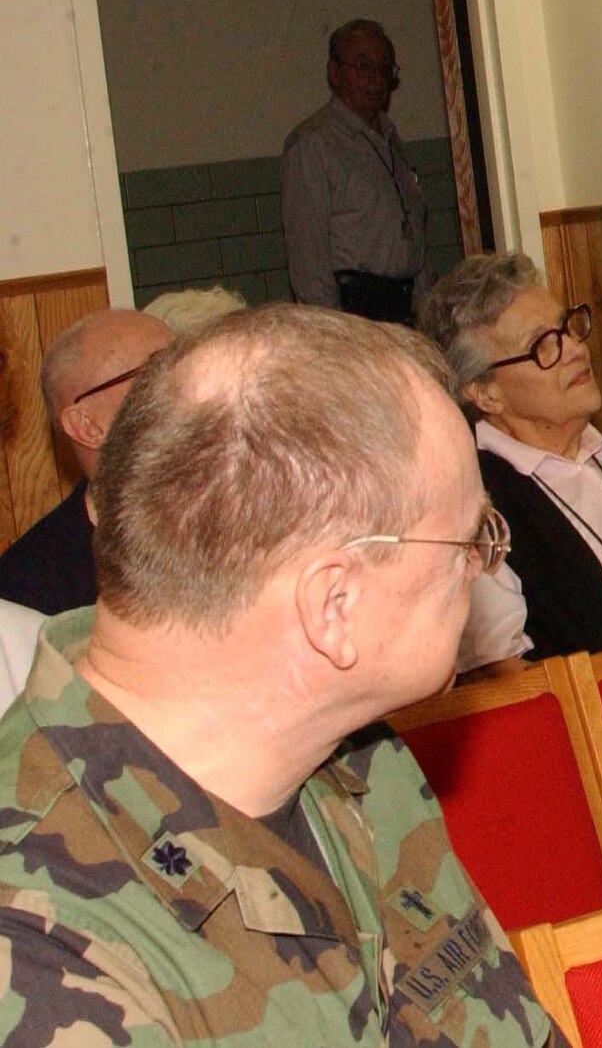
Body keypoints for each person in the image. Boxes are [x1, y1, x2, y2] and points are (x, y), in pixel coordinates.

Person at [0, 304, 558, 1046]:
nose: (481, 564)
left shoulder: (360, 766)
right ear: (334, 606)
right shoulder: (40, 939)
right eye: (467, 537)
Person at [421, 252, 602, 671]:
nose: (577, 349)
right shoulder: (475, 507)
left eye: (569, 327)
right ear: (485, 393)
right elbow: (509, 683)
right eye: (543, 345)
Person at [0, 309, 173, 614]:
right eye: (156, 368)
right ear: (87, 426)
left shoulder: (247, 511)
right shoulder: (28, 589)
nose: (190, 384)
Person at [280, 18, 432, 323]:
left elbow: (414, 232)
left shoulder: (391, 141)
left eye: (385, 69)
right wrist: (333, 332)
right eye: (363, 67)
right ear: (335, 73)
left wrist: (426, 309)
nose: (376, 80)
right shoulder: (314, 144)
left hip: (403, 312)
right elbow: (308, 255)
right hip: (354, 313)